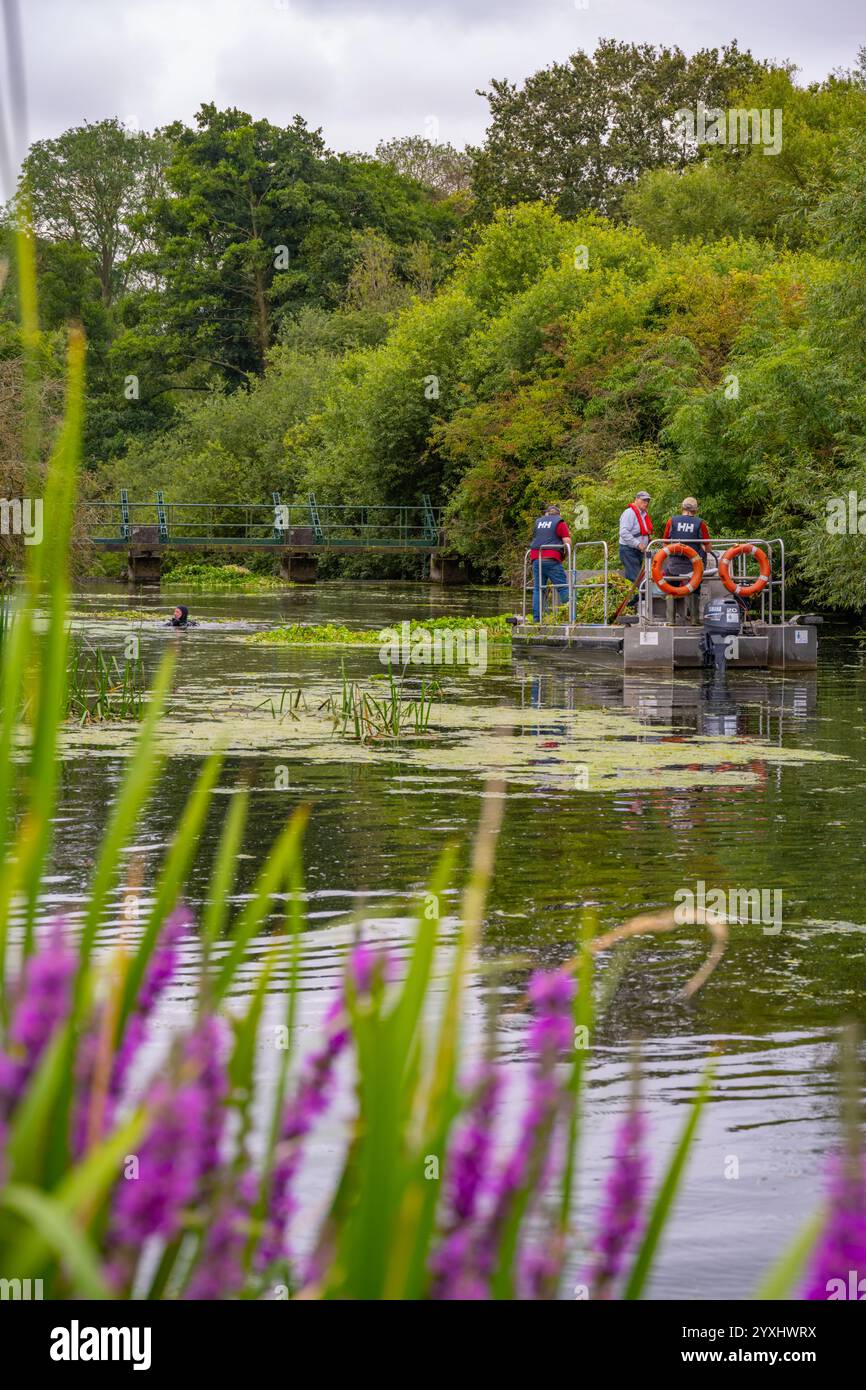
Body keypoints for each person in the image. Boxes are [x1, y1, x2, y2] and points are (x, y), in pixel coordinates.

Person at [662, 497, 711, 624]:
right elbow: (707, 548)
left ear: (682, 507)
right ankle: (694, 619)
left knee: (670, 586)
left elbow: (665, 544)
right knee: (695, 587)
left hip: (674, 565)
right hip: (693, 566)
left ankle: (670, 620)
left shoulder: (671, 521)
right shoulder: (700, 523)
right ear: (695, 510)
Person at [529, 504, 571, 622]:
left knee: (538, 589)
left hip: (536, 557)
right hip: (551, 558)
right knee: (562, 587)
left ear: (546, 514)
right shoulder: (559, 522)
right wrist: (565, 556)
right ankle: (571, 615)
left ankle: (537, 619)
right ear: (558, 514)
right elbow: (567, 541)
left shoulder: (538, 522)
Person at [618, 491, 653, 601]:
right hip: (629, 550)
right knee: (634, 578)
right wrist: (637, 544)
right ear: (636, 500)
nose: (646, 503)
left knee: (640, 577)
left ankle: (638, 602)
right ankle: (633, 603)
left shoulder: (643, 514)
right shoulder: (629, 513)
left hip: (639, 551)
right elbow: (623, 532)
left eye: (647, 501)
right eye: (643, 500)